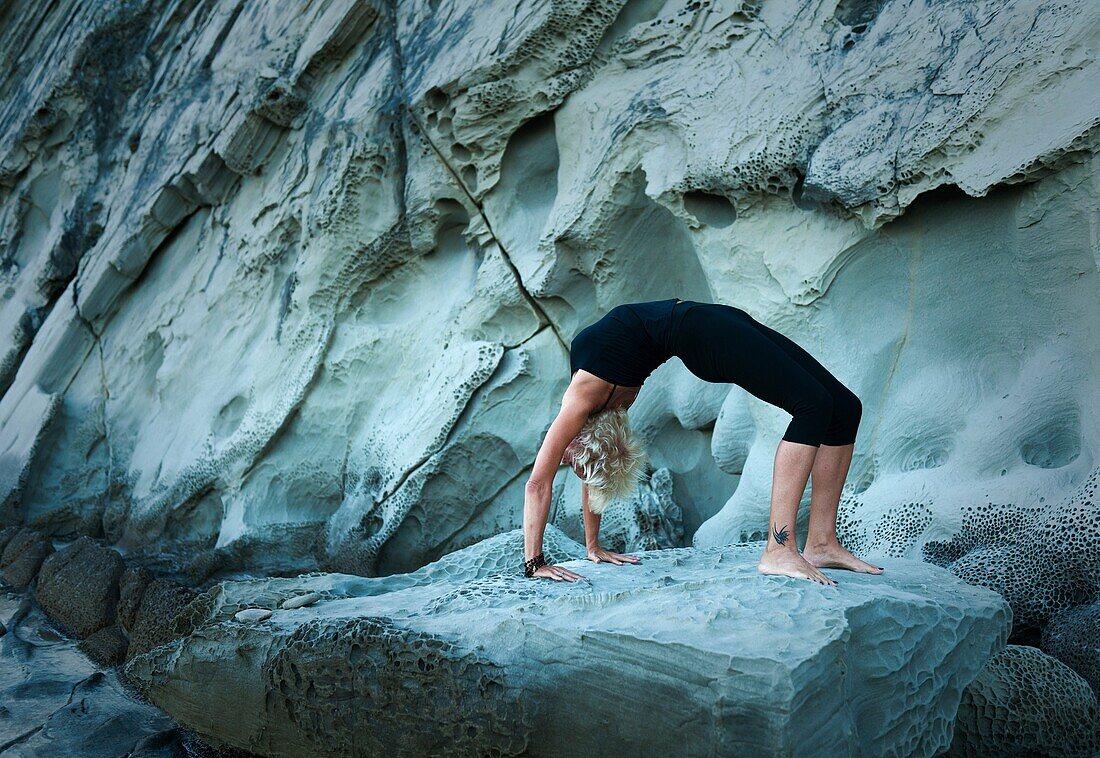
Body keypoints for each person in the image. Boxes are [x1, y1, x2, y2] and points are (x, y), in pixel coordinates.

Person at [522, 298, 884, 585]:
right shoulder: (587, 403)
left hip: (709, 321)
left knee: (844, 407)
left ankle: (821, 543)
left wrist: (591, 546)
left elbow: (578, 474)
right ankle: (779, 549)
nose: (562, 457)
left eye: (567, 458)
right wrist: (539, 562)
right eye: (573, 459)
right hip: (703, 335)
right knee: (812, 406)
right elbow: (548, 482)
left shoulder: (588, 408)